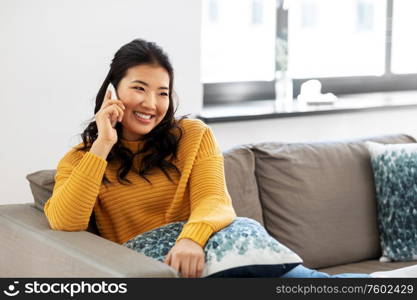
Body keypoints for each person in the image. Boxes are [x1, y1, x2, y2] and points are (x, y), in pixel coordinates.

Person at [44, 38, 370, 279]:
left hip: (213, 252)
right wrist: (103, 144)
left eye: (162, 92)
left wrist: (191, 240)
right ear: (112, 91)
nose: (151, 103)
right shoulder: (81, 160)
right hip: (158, 270)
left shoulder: (192, 135)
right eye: (139, 88)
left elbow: (214, 200)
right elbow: (64, 221)